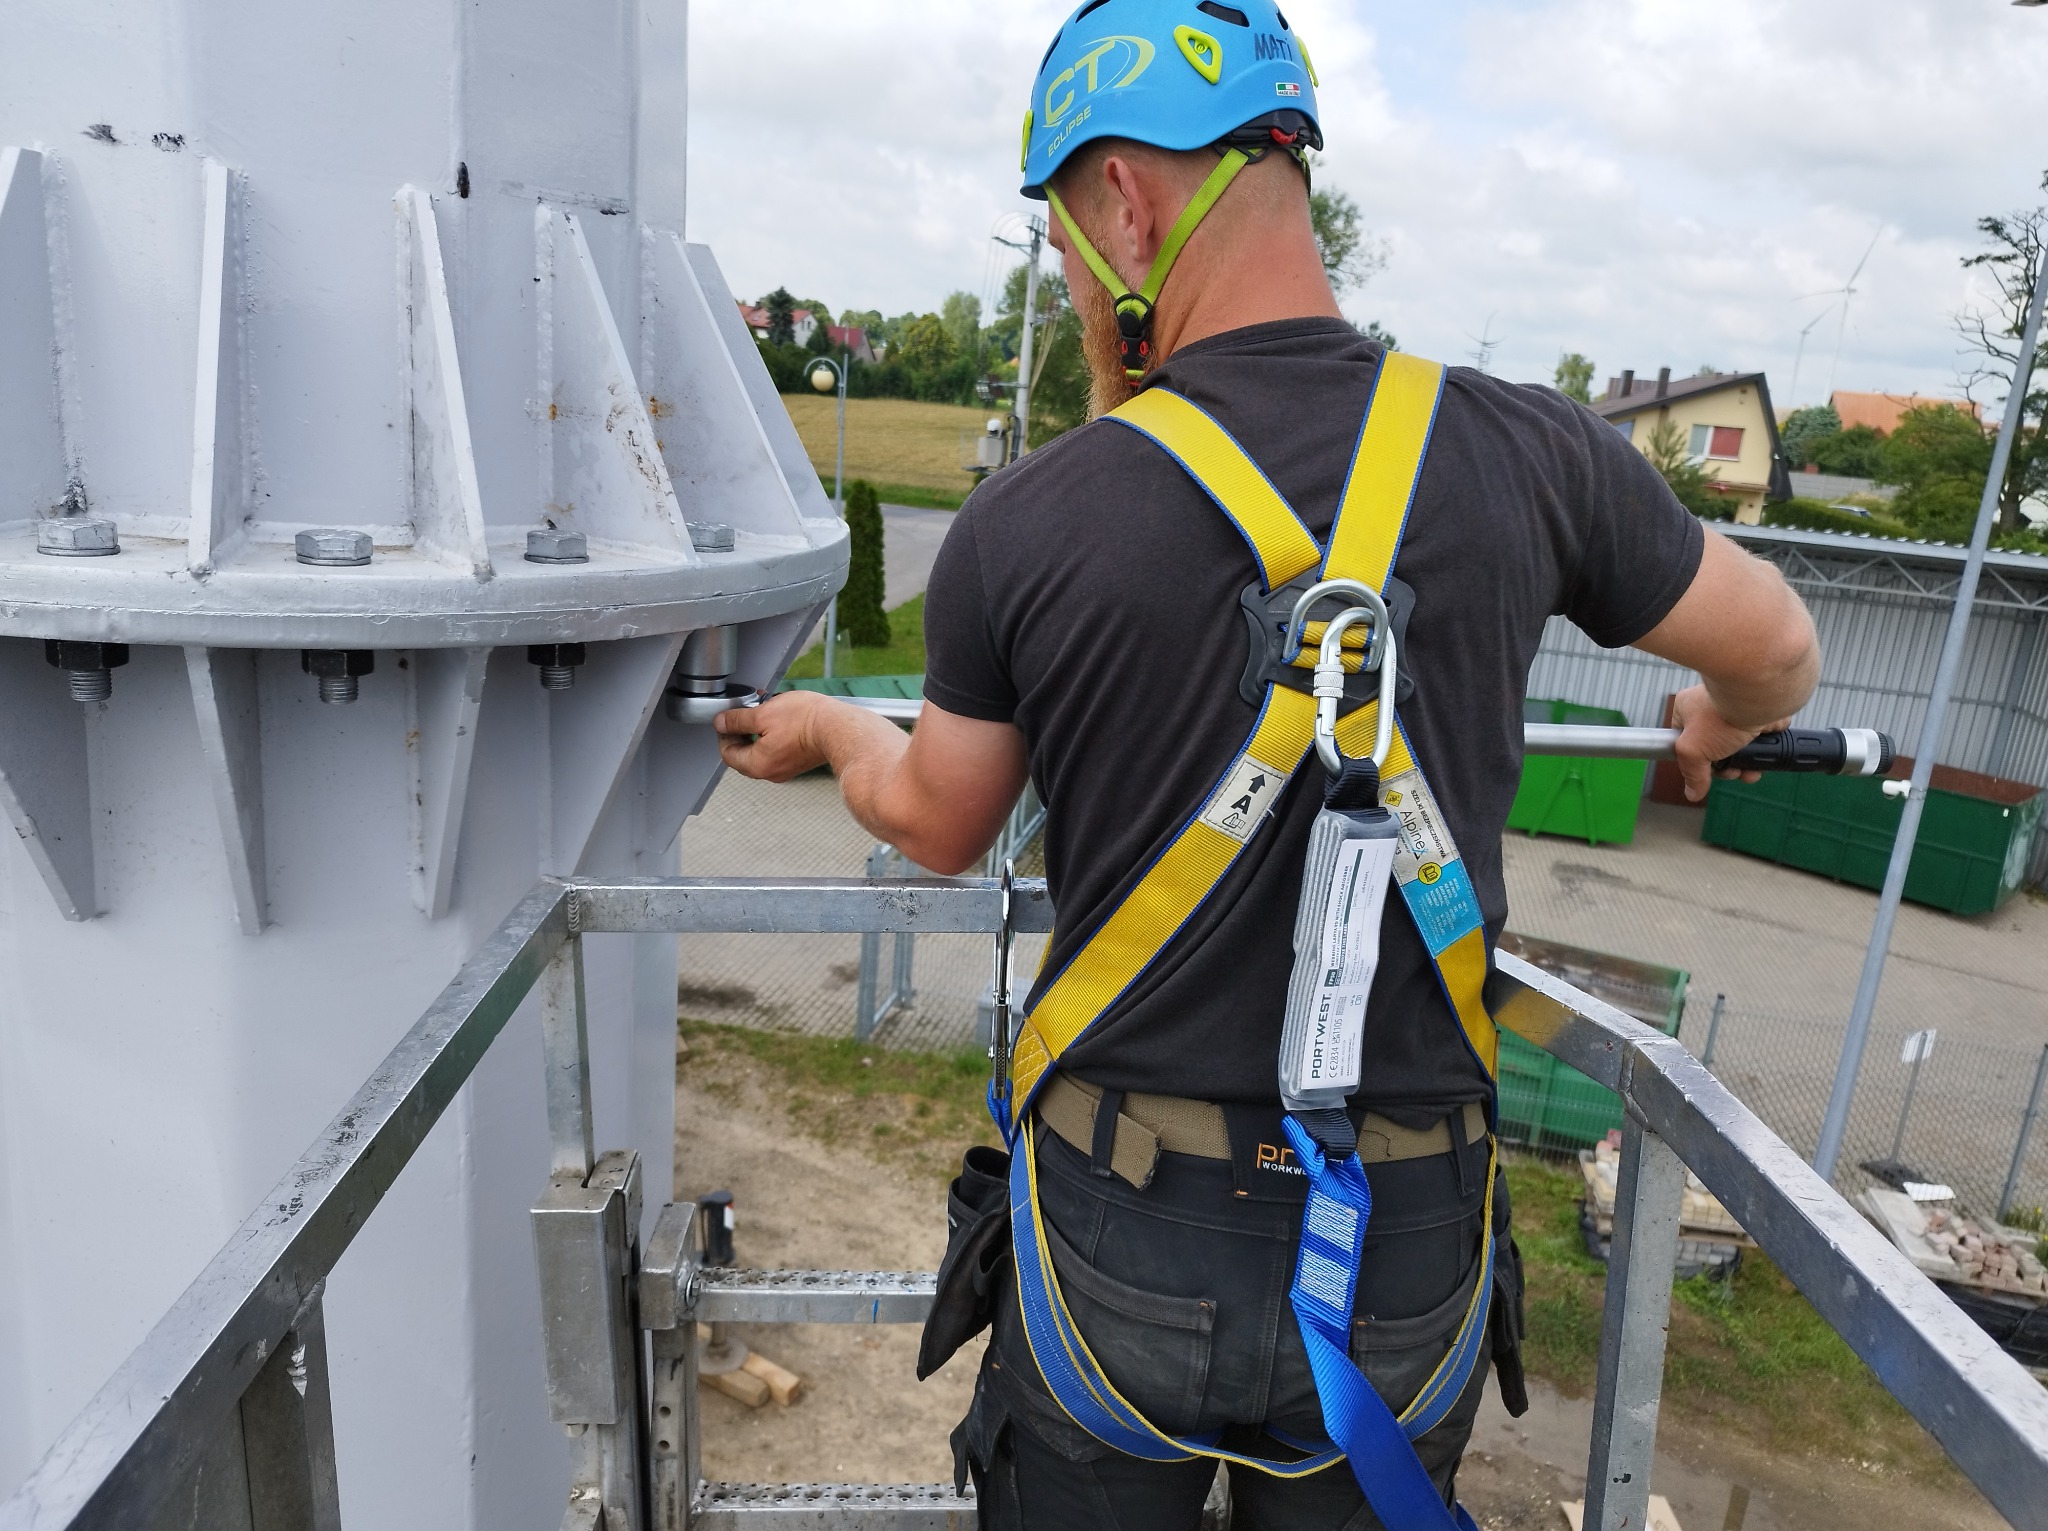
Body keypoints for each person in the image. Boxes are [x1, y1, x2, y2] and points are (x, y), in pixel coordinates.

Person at [716, 4, 1819, 1526]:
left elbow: (938, 819)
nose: (1073, 285)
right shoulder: (1529, 453)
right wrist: (1718, 729)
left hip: (1125, 1219)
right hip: (1406, 1234)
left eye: (1058, 248)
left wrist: (838, 728)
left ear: (1122, 201)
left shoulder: (1033, 519)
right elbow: (1775, 647)